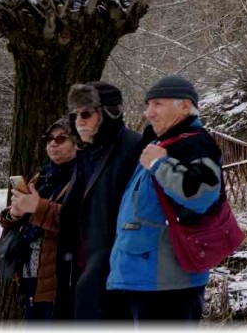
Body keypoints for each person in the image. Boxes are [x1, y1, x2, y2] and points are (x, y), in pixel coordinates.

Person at [107, 75, 223, 321]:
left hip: (169, 282)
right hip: (146, 277)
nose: (149, 113)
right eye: (148, 105)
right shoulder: (161, 143)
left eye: (158, 104)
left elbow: (202, 194)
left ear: (184, 106)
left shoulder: (196, 144)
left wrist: (160, 163)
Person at [56, 81, 142, 321]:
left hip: (114, 274)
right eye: (75, 115)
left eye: (87, 113)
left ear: (107, 113)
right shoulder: (87, 154)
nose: (79, 120)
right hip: (82, 268)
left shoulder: (133, 147)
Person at [0, 117, 77, 322]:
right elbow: (18, 217)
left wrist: (36, 207)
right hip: (29, 272)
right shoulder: (43, 175)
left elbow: (80, 221)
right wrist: (14, 213)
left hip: (61, 278)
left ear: (78, 143)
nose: (53, 143)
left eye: (62, 139)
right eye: (50, 139)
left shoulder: (83, 177)